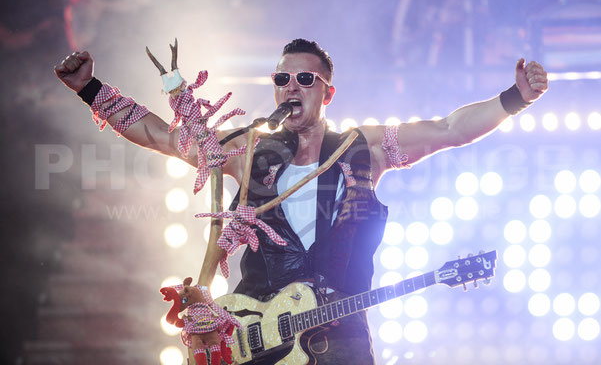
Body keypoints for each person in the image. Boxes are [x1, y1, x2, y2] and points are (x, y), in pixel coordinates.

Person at [55, 38, 548, 364]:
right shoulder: (247, 152)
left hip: (341, 339)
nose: (291, 87)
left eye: (304, 80)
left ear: (327, 92)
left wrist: (516, 97)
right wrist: (90, 89)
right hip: (258, 338)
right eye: (282, 80)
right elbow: (164, 136)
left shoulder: (364, 149)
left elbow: (449, 130)